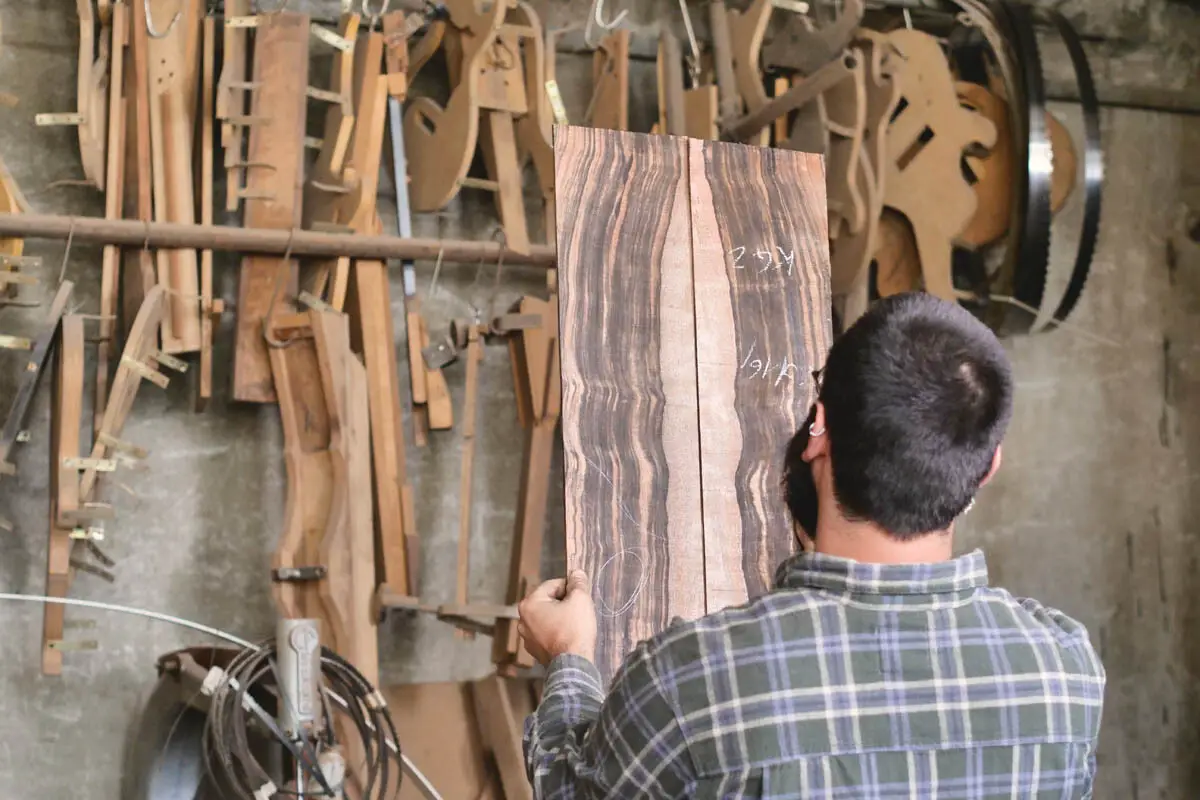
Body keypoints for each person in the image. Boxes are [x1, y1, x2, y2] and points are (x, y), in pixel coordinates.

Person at [518, 292, 1105, 799]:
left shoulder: (691, 681)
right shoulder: (1066, 677)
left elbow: (571, 791)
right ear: (987, 468)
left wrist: (569, 657)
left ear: (817, 429)